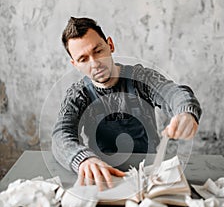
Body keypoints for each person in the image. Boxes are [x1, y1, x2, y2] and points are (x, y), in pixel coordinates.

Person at [52, 17, 202, 190]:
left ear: (110, 45)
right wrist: (82, 159)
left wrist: (185, 112)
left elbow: (174, 92)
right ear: (75, 64)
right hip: (105, 178)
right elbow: (61, 135)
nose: (95, 64)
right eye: (83, 59)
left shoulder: (141, 78)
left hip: (150, 174)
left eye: (98, 51)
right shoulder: (78, 95)